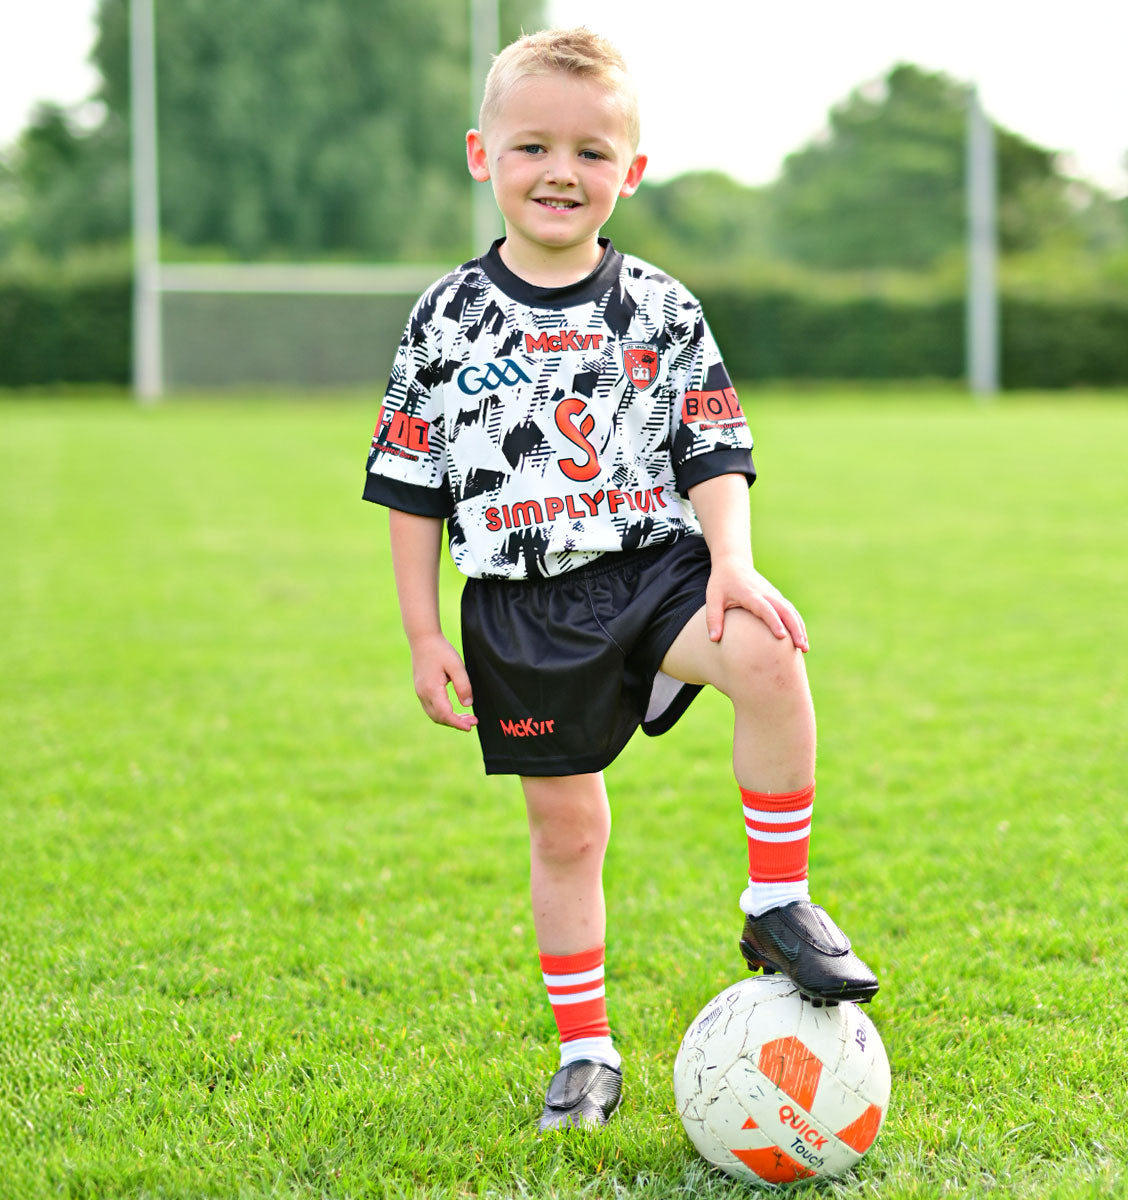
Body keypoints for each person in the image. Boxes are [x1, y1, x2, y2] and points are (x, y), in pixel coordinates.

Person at [362, 26, 877, 1133]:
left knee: (768, 650)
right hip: (522, 604)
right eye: (534, 147)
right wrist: (419, 634)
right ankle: (587, 1051)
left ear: (630, 172)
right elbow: (410, 486)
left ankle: (777, 902)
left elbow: (713, 445)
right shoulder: (447, 318)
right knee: (569, 833)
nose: (562, 172)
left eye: (593, 153)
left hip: (654, 568)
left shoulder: (660, 303)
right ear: (481, 154)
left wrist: (731, 562)